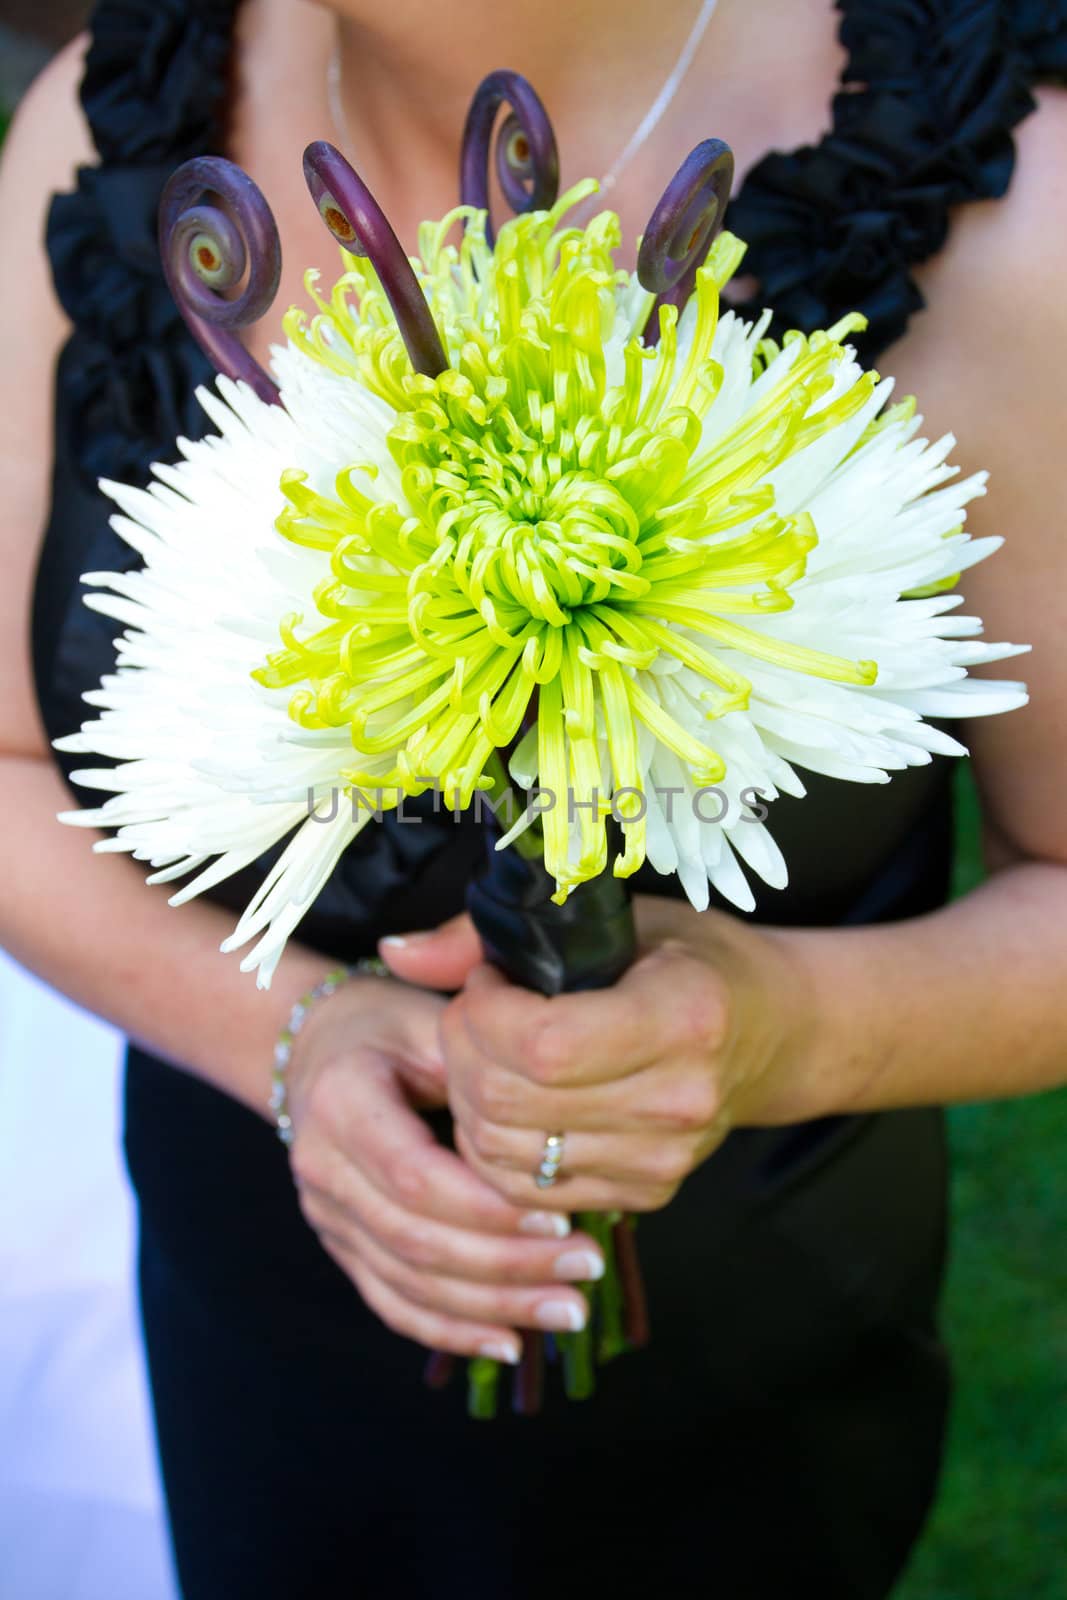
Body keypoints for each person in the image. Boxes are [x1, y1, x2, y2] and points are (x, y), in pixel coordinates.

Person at [3, 1, 1066, 1595]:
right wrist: (297, 1040)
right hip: (260, 1290)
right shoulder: (122, 115)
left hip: (734, 1355)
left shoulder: (1003, 200)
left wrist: (766, 1026)